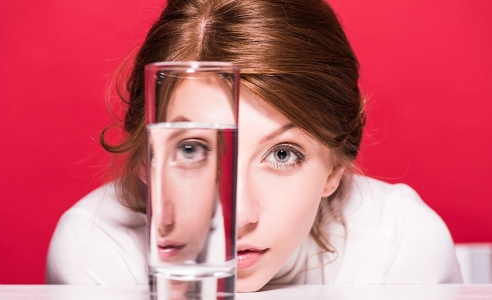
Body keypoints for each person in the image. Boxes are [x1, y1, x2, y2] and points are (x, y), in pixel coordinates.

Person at [46, 0, 463, 291]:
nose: (238, 214)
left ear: (336, 168)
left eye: (283, 154)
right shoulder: (96, 250)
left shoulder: (400, 242)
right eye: (192, 149)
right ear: (145, 160)